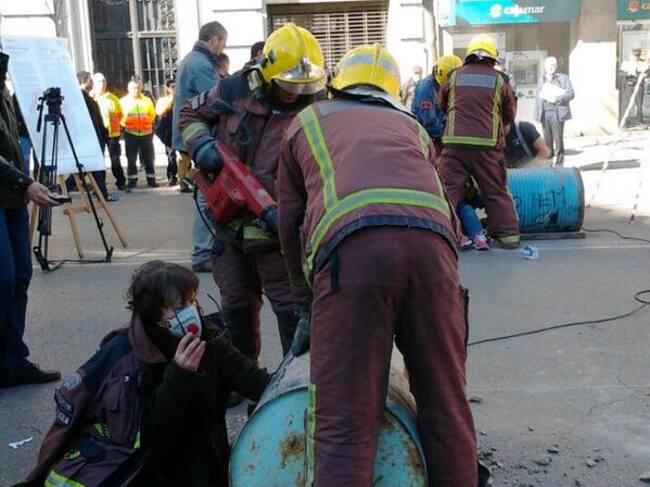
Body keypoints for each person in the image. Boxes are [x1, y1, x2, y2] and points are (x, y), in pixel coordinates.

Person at [278, 44, 481, 487]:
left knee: (343, 423)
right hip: (434, 256)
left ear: (337, 86)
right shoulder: (414, 129)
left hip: (352, 256)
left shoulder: (307, 121)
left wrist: (304, 305)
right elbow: (445, 211)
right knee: (446, 405)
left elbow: (289, 223)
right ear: (391, 94)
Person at [21, 260, 271, 486]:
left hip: (207, 465)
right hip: (154, 472)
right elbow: (150, 438)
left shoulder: (209, 338)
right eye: (179, 307)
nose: (191, 312)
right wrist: (180, 376)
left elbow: (252, 380)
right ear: (154, 314)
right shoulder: (127, 358)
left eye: (192, 301)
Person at [179, 23, 326, 360]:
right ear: (267, 71)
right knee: (236, 309)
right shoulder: (233, 89)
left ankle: (294, 383)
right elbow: (189, 113)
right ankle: (245, 380)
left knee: (294, 315)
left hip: (281, 237)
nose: (295, 93)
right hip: (229, 229)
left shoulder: (319, 104)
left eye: (302, 85)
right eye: (288, 84)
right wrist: (202, 145)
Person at [0, 51, 61, 388]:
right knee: (4, 280)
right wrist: (25, 182)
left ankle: (12, 361)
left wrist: (24, 182)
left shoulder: (3, 80)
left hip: (12, 197)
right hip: (13, 189)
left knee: (20, 277)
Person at [438, 33, 520, 249]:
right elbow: (510, 112)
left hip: (454, 145)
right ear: (492, 57)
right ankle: (509, 237)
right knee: (495, 191)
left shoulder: (454, 76)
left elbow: (442, 103)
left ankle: (439, 235)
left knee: (448, 192)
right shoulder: (500, 79)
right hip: (487, 146)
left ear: (469, 55)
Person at [172, 21, 227, 273]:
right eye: (222, 43)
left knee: (206, 193)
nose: (222, 49)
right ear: (214, 40)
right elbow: (216, 99)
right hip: (198, 136)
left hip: (191, 136)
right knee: (207, 196)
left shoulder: (192, 60)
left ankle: (205, 250)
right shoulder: (201, 64)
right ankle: (203, 252)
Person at [73, 71, 116, 201]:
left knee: (93, 168)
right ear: (84, 82)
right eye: (90, 80)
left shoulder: (88, 98)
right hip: (90, 139)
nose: (92, 83)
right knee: (93, 167)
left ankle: (102, 194)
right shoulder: (81, 99)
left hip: (95, 138)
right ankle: (102, 195)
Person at [411, 54, 463, 155]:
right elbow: (428, 120)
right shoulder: (426, 89)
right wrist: (446, 134)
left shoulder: (440, 86)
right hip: (426, 137)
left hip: (437, 133)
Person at [534, 56, 574, 167]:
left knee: (558, 140)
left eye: (553, 65)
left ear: (556, 66)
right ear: (545, 66)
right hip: (544, 114)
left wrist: (558, 98)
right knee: (547, 141)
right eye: (549, 65)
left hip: (557, 113)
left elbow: (571, 94)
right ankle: (549, 165)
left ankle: (559, 164)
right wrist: (537, 115)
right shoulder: (541, 80)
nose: (551, 67)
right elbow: (538, 99)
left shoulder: (563, 78)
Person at [92, 72, 128, 192]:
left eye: (103, 81)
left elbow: (121, 114)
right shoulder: (91, 98)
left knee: (115, 159)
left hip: (112, 133)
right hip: (98, 132)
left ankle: (121, 182)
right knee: (99, 160)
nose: (102, 84)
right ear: (94, 83)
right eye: (99, 81)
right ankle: (100, 186)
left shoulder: (112, 98)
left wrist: (119, 127)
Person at [120, 76, 157, 188]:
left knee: (149, 158)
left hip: (146, 134)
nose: (136, 90)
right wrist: (127, 125)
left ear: (141, 88)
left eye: (138, 87)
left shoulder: (147, 100)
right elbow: (119, 116)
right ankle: (132, 180)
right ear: (128, 88)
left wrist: (147, 125)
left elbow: (152, 115)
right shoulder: (123, 101)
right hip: (131, 133)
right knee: (131, 159)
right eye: (134, 88)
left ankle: (151, 180)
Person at [155, 78, 178, 186]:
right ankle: (172, 176)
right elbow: (159, 112)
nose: (175, 88)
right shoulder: (163, 100)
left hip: (180, 130)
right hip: (168, 132)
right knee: (171, 156)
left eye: (176, 86)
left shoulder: (181, 99)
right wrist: (171, 100)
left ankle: (185, 177)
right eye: (172, 87)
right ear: (167, 88)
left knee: (185, 156)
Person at [620, 47, 649, 127]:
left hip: (639, 86)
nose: (637, 55)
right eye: (635, 53)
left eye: (638, 53)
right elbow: (621, 73)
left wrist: (645, 74)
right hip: (629, 85)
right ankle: (625, 122)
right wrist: (629, 73)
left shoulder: (643, 63)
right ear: (632, 53)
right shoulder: (626, 62)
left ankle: (639, 121)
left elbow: (647, 72)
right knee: (626, 104)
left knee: (639, 105)